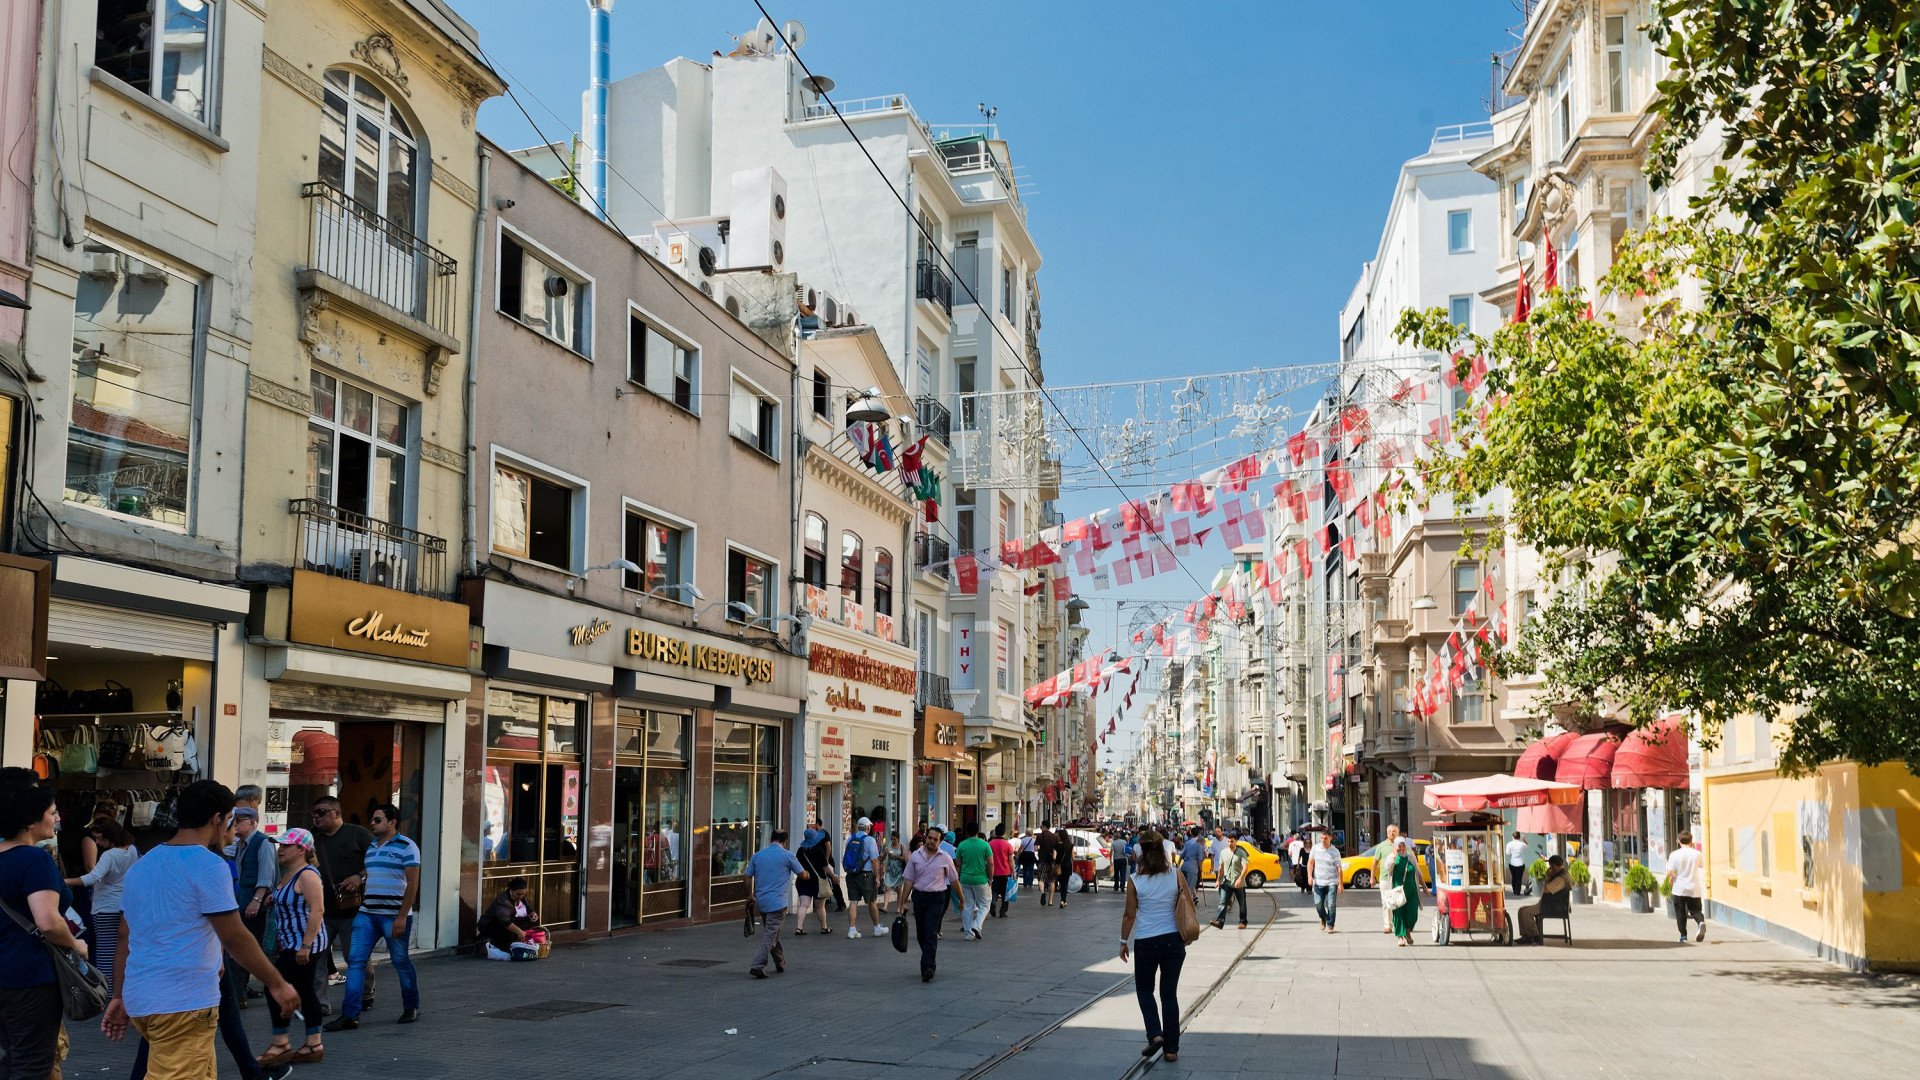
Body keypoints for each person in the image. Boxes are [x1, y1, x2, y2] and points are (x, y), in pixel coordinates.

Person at [103, 780, 301, 1080]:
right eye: (229, 820)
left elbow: (125, 936)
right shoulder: (208, 865)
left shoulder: (142, 865)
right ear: (217, 819)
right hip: (183, 1003)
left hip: (143, 997)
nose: (228, 829)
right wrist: (276, 983)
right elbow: (234, 937)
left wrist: (118, 995)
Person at [0, 769, 88, 1080]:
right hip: (30, 977)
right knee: (32, 1065)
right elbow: (48, 921)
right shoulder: (33, 860)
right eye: (52, 813)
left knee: (11, 1060)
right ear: (30, 821)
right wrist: (75, 944)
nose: (58, 818)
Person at [325, 803, 421, 1030]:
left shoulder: (407, 847)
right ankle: (350, 1015)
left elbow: (412, 883)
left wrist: (401, 917)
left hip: (393, 916)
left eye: (377, 820)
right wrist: (360, 877)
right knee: (355, 962)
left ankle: (411, 1005)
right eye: (373, 819)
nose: (372, 823)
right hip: (367, 913)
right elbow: (374, 871)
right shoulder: (371, 847)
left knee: (400, 961)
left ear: (392, 822)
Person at [258, 828, 329, 1065]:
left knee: (275, 987)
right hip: (292, 942)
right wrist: (273, 900)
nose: (280, 849)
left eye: (286, 845)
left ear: (302, 849)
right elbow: (291, 900)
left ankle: (282, 1043)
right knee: (303, 990)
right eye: (280, 845)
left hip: (303, 944)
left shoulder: (308, 875)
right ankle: (312, 1044)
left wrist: (306, 946)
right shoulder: (290, 873)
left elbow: (317, 910)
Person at [1119, 829, 1188, 1064]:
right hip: (1173, 939)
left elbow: (1129, 915)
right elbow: (1186, 902)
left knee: (1144, 990)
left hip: (1146, 940)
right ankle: (1171, 1049)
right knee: (1169, 994)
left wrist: (1122, 942)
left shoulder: (1135, 880)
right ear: (1161, 849)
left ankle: (1155, 1034)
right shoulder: (1176, 875)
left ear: (1140, 851)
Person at [308, 796, 371, 1010]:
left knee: (354, 956)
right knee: (317, 957)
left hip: (352, 909)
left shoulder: (358, 834)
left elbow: (376, 862)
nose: (316, 817)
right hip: (321, 909)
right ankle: (320, 1005)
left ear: (336, 813)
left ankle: (364, 995)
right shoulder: (312, 837)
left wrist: (359, 877)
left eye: (321, 812)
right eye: (314, 813)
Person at [67, 816, 138, 993]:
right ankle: (122, 990)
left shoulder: (109, 855)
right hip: (123, 906)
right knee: (122, 950)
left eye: (99, 838)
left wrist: (65, 881)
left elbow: (93, 877)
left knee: (105, 951)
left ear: (109, 836)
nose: (97, 842)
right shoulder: (132, 851)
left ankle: (107, 992)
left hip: (105, 907)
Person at [226, 807, 276, 1004]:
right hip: (240, 901)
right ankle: (240, 992)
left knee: (244, 948)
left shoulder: (263, 842)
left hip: (253, 903)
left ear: (252, 823)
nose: (235, 825)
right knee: (239, 948)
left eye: (239, 821)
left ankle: (239, 994)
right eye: (234, 821)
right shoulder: (240, 844)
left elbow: (266, 875)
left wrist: (257, 900)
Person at [900, 827, 962, 982]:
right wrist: (902, 903)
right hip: (919, 898)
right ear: (926, 838)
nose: (932, 841)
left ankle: (928, 967)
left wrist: (962, 899)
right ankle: (928, 958)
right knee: (921, 934)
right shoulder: (915, 856)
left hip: (936, 898)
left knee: (930, 932)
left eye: (935, 839)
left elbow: (954, 880)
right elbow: (909, 880)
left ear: (940, 842)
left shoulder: (945, 858)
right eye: (930, 838)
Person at [743, 830, 808, 978]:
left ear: (771, 839)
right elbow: (803, 875)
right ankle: (757, 964)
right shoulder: (787, 855)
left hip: (762, 902)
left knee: (773, 933)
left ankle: (780, 962)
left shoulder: (758, 855)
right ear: (785, 841)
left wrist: (749, 895)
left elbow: (746, 876)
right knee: (770, 934)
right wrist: (808, 873)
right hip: (778, 903)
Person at [477, 876, 545, 958]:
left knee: (533, 921)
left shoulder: (522, 898)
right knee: (508, 928)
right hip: (493, 925)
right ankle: (505, 947)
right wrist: (519, 932)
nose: (521, 896)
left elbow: (529, 908)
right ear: (511, 891)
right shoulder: (503, 901)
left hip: (512, 921)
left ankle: (525, 943)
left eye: (523, 894)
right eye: (518, 894)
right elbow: (505, 921)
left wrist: (533, 914)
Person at [843, 818, 884, 939]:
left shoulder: (850, 838)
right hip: (866, 875)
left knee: (853, 902)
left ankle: (852, 929)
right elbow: (874, 860)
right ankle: (877, 928)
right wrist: (877, 877)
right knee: (872, 901)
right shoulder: (870, 840)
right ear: (868, 827)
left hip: (851, 874)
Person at [1516, 855, 1571, 944]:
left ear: (1554, 866)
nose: (1549, 868)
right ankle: (1527, 935)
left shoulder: (1561, 878)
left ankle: (1534, 935)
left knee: (1524, 912)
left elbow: (1546, 890)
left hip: (1554, 907)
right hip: (1550, 904)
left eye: (1550, 865)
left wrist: (1548, 877)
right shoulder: (1561, 875)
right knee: (1522, 910)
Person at [792, 827, 834, 935]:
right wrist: (833, 876)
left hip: (803, 880)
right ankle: (824, 927)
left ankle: (799, 928)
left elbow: (797, 866)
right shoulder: (818, 849)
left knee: (804, 905)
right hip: (818, 881)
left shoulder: (800, 850)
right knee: (820, 906)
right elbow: (825, 867)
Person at [1666, 832, 1706, 943]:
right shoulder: (1697, 854)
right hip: (1694, 887)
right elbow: (1701, 865)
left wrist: (1673, 877)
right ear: (1691, 841)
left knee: (1680, 911)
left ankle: (1683, 935)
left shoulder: (1674, 854)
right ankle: (1700, 922)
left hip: (1679, 888)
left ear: (1679, 841)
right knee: (1695, 910)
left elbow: (1669, 871)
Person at [955, 825, 993, 940]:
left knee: (967, 906)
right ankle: (976, 926)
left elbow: (958, 864)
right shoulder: (985, 844)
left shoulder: (962, 845)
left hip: (965, 879)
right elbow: (991, 863)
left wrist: (958, 877)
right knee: (985, 904)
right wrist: (990, 877)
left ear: (966, 832)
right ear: (978, 831)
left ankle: (968, 934)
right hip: (980, 879)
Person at [1386, 836, 1422, 946]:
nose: (1401, 849)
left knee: (1412, 913)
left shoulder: (1410, 857)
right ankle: (1400, 936)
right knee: (1398, 914)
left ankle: (1408, 931)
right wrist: (1394, 855)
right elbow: (1388, 868)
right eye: (1399, 846)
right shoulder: (1392, 857)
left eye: (1403, 846)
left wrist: (1424, 886)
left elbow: (1418, 871)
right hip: (1398, 891)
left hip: (1411, 890)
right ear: (1395, 847)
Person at [1211, 834, 1250, 929]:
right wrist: (1218, 880)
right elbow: (1221, 868)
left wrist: (1240, 879)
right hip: (1226, 882)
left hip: (1238, 883)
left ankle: (1243, 921)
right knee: (1222, 902)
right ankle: (1220, 922)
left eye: (1232, 841)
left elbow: (1245, 867)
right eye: (1228, 841)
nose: (1230, 843)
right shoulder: (1223, 852)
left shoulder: (1241, 852)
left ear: (1236, 841)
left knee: (1242, 903)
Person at [1380, 825, 1413, 933]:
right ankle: (1387, 925)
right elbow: (1375, 862)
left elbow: (1414, 865)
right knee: (1387, 902)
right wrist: (1372, 877)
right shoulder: (1382, 846)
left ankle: (1399, 924)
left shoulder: (1406, 849)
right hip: (1386, 879)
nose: (1392, 833)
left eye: (1394, 831)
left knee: (1400, 903)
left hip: (1403, 881)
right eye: (1390, 831)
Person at [1309, 831, 1344, 932]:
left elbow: (1339, 868)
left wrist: (1340, 884)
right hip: (1318, 881)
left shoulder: (1335, 851)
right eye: (1322, 838)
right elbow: (1310, 863)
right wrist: (1309, 877)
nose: (1323, 840)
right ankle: (1323, 918)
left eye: (1325, 838)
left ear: (1330, 839)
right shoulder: (1315, 848)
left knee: (1331, 905)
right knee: (1318, 904)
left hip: (1332, 882)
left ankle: (1330, 925)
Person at [881, 829, 909, 915]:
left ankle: (898, 908)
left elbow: (905, 859)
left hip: (899, 871)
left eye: (894, 839)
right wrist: (885, 854)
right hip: (890, 870)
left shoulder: (902, 847)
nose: (893, 841)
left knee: (898, 889)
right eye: (892, 839)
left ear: (898, 839)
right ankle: (885, 907)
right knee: (887, 888)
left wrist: (896, 856)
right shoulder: (888, 846)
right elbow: (882, 859)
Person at [1050, 825, 1076, 908]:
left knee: (1060, 883)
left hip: (1059, 867)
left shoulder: (1056, 845)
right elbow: (1073, 857)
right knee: (1065, 884)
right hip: (1067, 866)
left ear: (1060, 837)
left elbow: (1054, 857)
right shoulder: (1070, 845)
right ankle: (1063, 900)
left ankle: (1059, 900)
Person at [1178, 827, 1205, 898]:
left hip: (1184, 866)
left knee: (1182, 887)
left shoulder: (1187, 842)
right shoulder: (1199, 845)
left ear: (1191, 833)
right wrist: (1200, 868)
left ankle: (1182, 902)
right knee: (1189, 888)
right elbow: (1200, 859)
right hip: (1193, 868)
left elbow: (1182, 854)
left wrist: (1178, 863)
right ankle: (1186, 905)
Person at [1506, 832, 1532, 898]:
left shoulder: (1509, 844)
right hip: (1521, 863)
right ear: (1519, 837)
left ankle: (1515, 890)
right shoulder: (1521, 844)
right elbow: (1527, 846)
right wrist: (1524, 839)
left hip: (1512, 863)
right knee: (1519, 878)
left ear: (1513, 837)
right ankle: (1517, 891)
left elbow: (1507, 853)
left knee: (1514, 877)